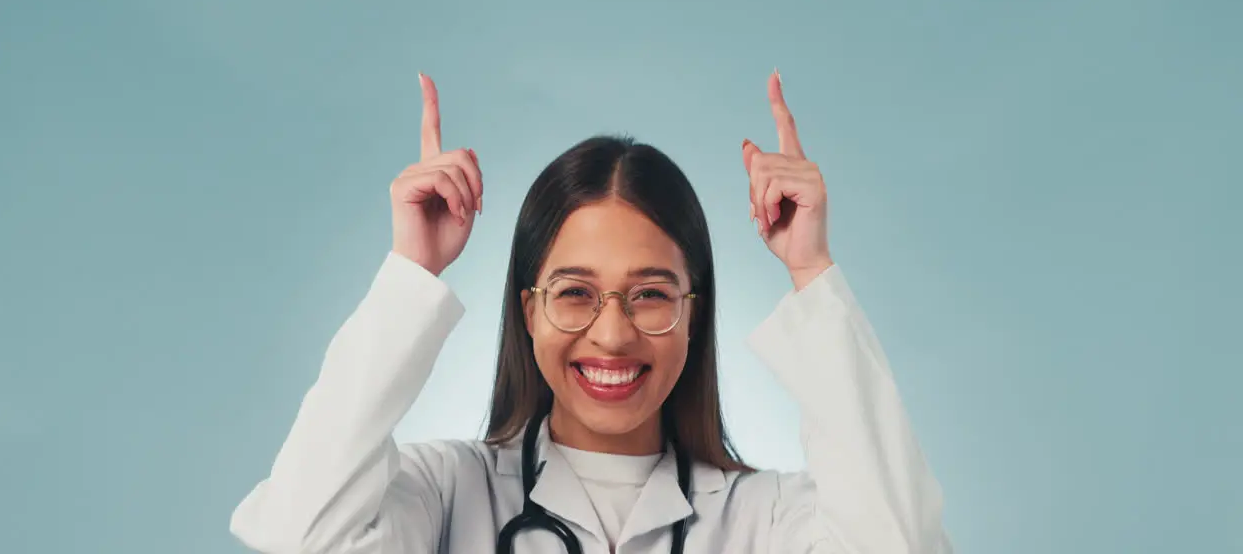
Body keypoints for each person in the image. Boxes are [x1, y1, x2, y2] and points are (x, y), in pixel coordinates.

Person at [229, 71, 953, 553]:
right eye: (575, 291)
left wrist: (811, 272)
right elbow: (302, 533)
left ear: (694, 315)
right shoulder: (448, 494)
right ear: (529, 310)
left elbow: (900, 542)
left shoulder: (761, 520)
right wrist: (410, 276)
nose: (612, 334)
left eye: (650, 295)